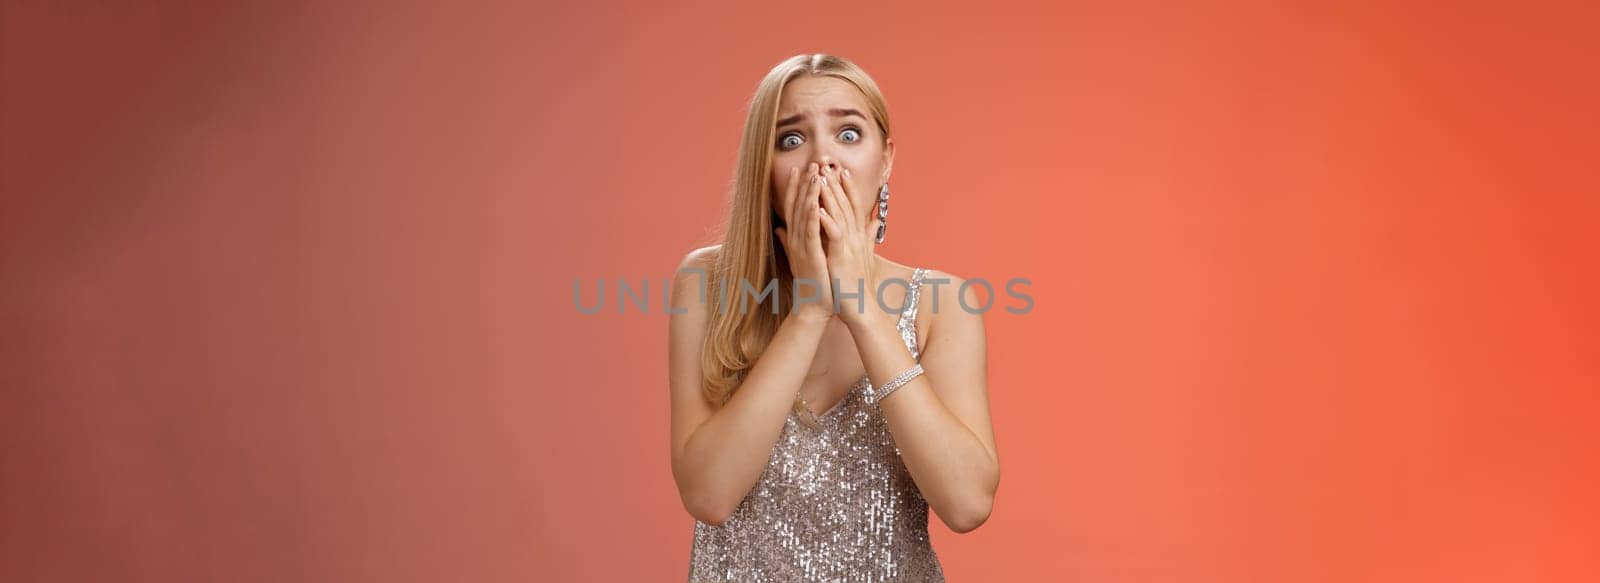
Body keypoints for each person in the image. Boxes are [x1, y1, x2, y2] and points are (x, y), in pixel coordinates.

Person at [668, 53, 1000, 582]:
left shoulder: (941, 302)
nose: (823, 160)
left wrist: (862, 310)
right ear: (764, 166)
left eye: (848, 134)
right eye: (791, 140)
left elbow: (967, 504)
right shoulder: (708, 285)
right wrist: (812, 310)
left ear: (885, 159)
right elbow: (709, 494)